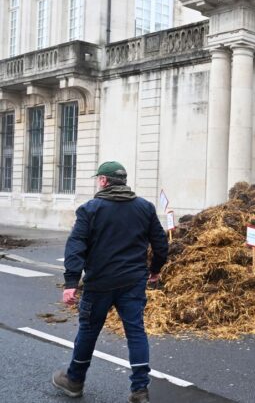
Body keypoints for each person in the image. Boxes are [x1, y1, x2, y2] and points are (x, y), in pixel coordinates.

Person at [51, 161, 168, 403]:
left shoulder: (90, 209)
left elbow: (75, 247)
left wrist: (71, 281)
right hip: (133, 281)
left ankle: (74, 381)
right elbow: (160, 243)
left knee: (89, 331)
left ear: (103, 181)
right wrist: (155, 269)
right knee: (136, 332)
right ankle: (139, 390)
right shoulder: (145, 208)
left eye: (98, 180)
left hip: (99, 283)